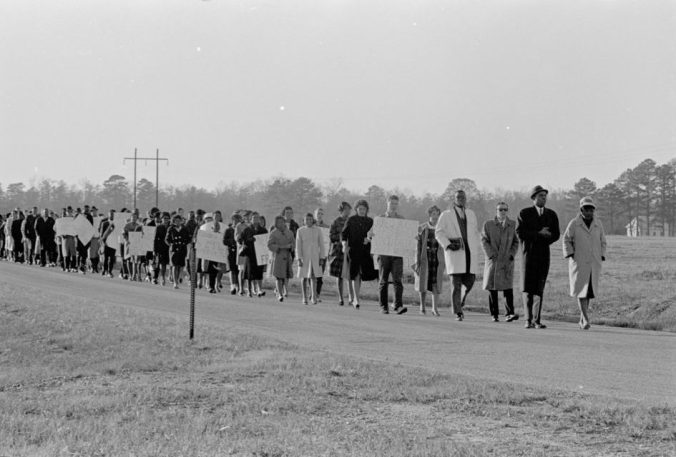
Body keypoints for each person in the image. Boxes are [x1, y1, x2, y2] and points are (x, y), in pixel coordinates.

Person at [516, 185, 561, 329]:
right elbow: (520, 233)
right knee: (527, 288)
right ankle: (527, 319)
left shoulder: (551, 215)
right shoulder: (525, 213)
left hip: (543, 254)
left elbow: (556, 234)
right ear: (533, 198)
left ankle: (537, 320)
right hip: (528, 255)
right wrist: (538, 233)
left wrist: (546, 237)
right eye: (541, 196)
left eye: (545, 196)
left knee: (539, 288)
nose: (544, 198)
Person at [435, 190, 481, 321]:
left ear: (466, 199)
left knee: (470, 281)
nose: (461, 199)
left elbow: (475, 232)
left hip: (469, 254)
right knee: (456, 284)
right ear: (454, 199)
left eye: (463, 197)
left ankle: (459, 302)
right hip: (455, 253)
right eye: (458, 197)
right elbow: (438, 233)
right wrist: (448, 245)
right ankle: (457, 311)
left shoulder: (471, 214)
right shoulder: (446, 215)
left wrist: (476, 245)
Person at [563, 196, 607, 330]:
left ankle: (582, 319)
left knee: (588, 292)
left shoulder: (598, 224)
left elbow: (603, 241)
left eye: (591, 209)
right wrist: (570, 253)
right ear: (581, 210)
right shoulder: (574, 223)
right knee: (580, 290)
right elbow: (566, 239)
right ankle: (586, 318)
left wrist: (602, 255)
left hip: (594, 262)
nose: (588, 212)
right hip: (579, 261)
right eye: (586, 209)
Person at [480, 202, 520, 322]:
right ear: (496, 211)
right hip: (493, 261)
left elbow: (516, 242)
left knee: (508, 288)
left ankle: (509, 313)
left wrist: (511, 255)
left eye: (505, 210)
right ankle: (494, 314)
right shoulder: (488, 224)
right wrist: (491, 254)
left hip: (506, 261)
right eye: (500, 209)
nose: (503, 212)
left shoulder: (512, 224)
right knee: (492, 289)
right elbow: (483, 240)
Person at [341, 199, 378, 309]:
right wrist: (344, 245)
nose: (362, 211)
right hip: (353, 250)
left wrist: (369, 239)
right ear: (356, 209)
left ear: (367, 210)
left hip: (366, 251)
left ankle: (356, 297)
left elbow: (374, 235)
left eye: (364, 209)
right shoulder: (351, 220)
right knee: (355, 274)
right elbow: (344, 235)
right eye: (360, 209)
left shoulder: (370, 221)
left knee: (361, 275)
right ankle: (356, 299)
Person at [376, 195, 408, 315]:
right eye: (392, 203)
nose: (394, 206)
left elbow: (405, 236)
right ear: (387, 203)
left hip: (397, 254)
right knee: (383, 280)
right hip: (384, 253)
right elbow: (372, 234)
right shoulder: (380, 218)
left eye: (396, 203)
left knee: (397, 280)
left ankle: (398, 306)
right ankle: (383, 307)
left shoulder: (401, 219)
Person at [413, 205, 445, 316]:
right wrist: (417, 261)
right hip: (425, 257)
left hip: (437, 259)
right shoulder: (422, 227)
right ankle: (422, 306)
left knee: (436, 283)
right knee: (423, 282)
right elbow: (418, 245)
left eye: (437, 214)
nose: (435, 216)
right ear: (429, 214)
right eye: (433, 214)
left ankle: (434, 308)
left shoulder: (441, 228)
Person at [296, 212, 326, 305]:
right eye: (306, 219)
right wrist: (299, 258)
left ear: (313, 220)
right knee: (304, 277)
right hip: (304, 257)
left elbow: (321, 244)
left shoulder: (317, 230)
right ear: (304, 221)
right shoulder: (300, 230)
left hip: (315, 257)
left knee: (313, 277)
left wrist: (322, 257)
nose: (308, 221)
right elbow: (298, 246)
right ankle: (304, 297)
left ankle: (313, 296)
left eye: (310, 219)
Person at [328, 202, 352, 305]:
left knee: (351, 275)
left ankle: (351, 298)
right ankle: (341, 298)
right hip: (339, 251)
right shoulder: (335, 222)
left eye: (349, 209)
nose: (348, 211)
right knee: (340, 276)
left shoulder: (352, 221)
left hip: (350, 250)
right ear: (342, 210)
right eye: (346, 209)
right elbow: (331, 236)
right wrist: (342, 239)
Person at [268, 215, 295, 302]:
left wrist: (291, 246)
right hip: (278, 256)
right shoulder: (273, 233)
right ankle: (279, 294)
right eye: (279, 222)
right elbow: (269, 245)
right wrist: (279, 247)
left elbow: (294, 243)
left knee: (286, 276)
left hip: (287, 256)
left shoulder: (290, 232)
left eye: (282, 222)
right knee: (278, 276)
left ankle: (285, 290)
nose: (281, 224)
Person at [165, 214, 191, 289]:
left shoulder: (185, 228)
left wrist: (185, 243)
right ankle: (175, 282)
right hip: (174, 249)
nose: (177, 222)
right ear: (173, 221)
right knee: (174, 265)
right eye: (176, 220)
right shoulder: (171, 228)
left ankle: (179, 277)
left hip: (182, 249)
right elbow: (167, 239)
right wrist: (171, 244)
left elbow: (188, 238)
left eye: (179, 220)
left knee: (181, 265)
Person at [223, 213, 243, 294]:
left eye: (238, 219)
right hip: (231, 251)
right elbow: (224, 241)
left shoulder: (242, 230)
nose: (236, 221)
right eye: (235, 219)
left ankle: (238, 286)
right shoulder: (228, 230)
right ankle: (232, 286)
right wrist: (233, 242)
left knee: (238, 270)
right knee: (232, 270)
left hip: (240, 252)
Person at [313, 208, 329, 302]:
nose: (320, 215)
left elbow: (327, 242)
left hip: (322, 254)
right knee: (312, 274)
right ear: (315, 214)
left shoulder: (326, 227)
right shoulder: (311, 226)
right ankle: (311, 293)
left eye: (321, 214)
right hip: (312, 253)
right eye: (318, 213)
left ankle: (317, 294)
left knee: (319, 275)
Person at [153, 212, 171, 286]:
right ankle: (162, 277)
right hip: (160, 248)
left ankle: (170, 277)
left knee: (168, 264)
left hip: (169, 248)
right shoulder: (159, 227)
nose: (165, 220)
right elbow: (155, 239)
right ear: (161, 219)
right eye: (164, 218)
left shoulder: (171, 227)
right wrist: (154, 250)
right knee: (161, 264)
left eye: (167, 218)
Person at [99, 209, 117, 278]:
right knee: (106, 258)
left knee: (112, 258)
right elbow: (101, 234)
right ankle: (104, 270)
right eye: (110, 214)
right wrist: (102, 243)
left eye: (113, 214)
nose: (112, 215)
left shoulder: (116, 223)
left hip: (113, 243)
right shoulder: (105, 223)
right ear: (108, 215)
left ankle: (110, 271)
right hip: (106, 243)